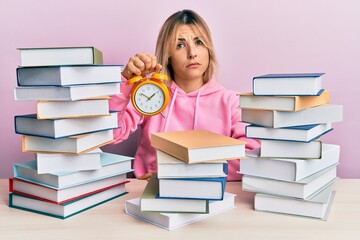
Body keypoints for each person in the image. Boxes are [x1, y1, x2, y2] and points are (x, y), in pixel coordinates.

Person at [109, 9, 259, 181]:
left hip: (212, 194)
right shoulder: (151, 96)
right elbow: (112, 135)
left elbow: (248, 159)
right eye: (180, 45)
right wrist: (125, 81)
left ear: (209, 49)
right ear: (168, 56)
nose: (192, 53)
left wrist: (176, 174)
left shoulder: (232, 102)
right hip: (151, 195)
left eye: (199, 42)